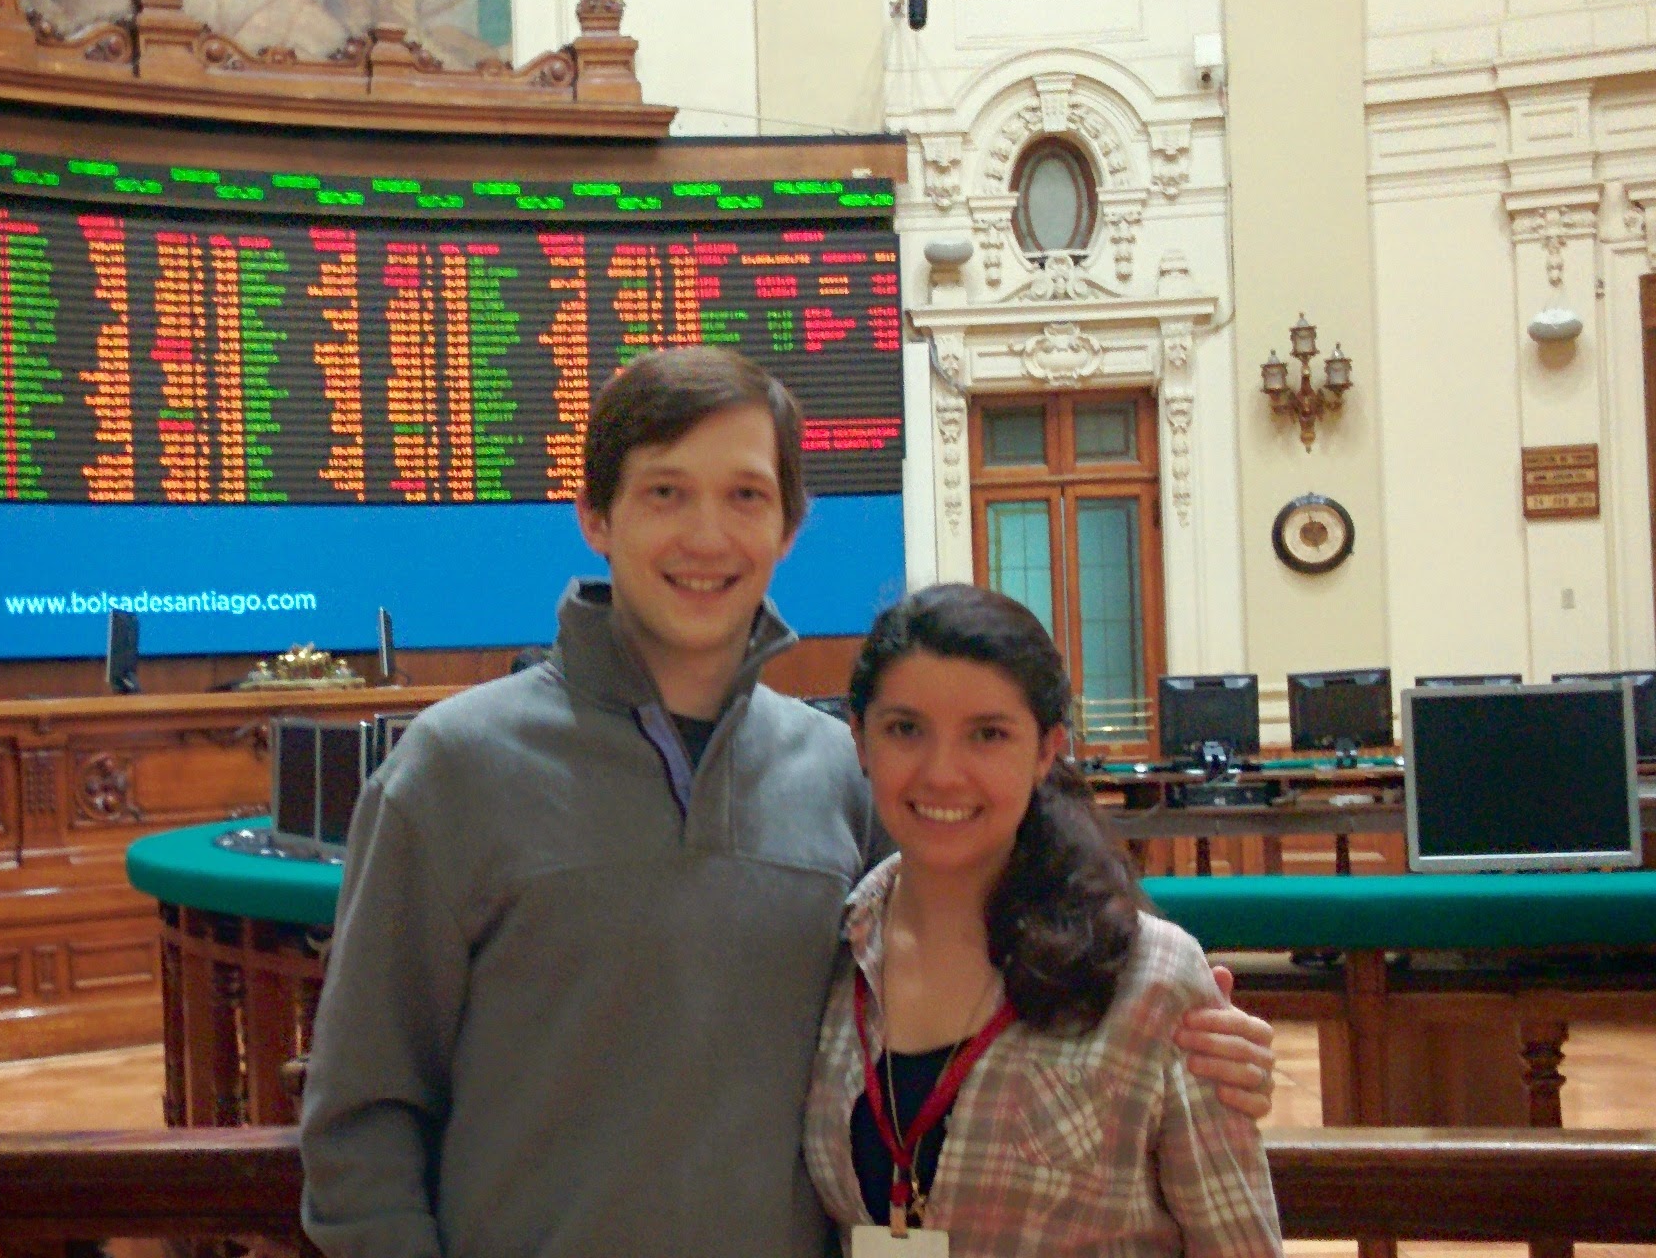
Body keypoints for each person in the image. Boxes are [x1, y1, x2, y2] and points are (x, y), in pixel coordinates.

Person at [300, 346, 1277, 1258]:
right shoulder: (452, 770)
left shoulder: (841, 774)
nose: (706, 535)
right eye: (665, 492)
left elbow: (989, 950)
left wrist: (1186, 1032)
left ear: (788, 527)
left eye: (745, 495)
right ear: (596, 518)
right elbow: (363, 1118)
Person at [805, 583, 1279, 1256]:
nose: (942, 774)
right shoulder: (827, 958)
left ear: (1045, 750)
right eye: (905, 729)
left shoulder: (1150, 979)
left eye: (988, 735)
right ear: (859, 739)